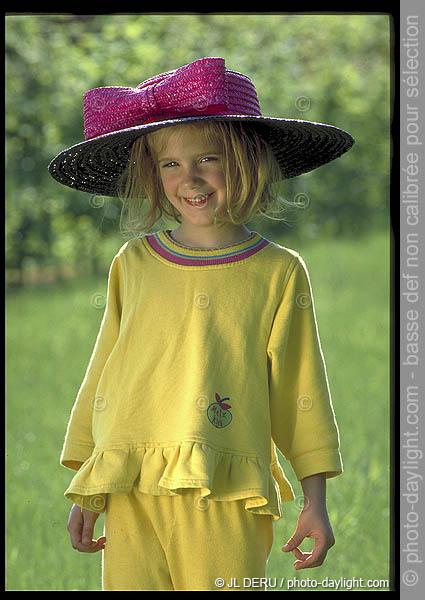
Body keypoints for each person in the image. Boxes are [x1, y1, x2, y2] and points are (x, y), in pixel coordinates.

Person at [49, 57, 354, 591]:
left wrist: (315, 500)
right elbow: (104, 376)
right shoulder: (133, 264)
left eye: (207, 159)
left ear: (248, 163)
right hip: (132, 486)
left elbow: (300, 388)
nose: (187, 179)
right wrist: (89, 487)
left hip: (224, 486)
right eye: (169, 164)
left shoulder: (278, 272)